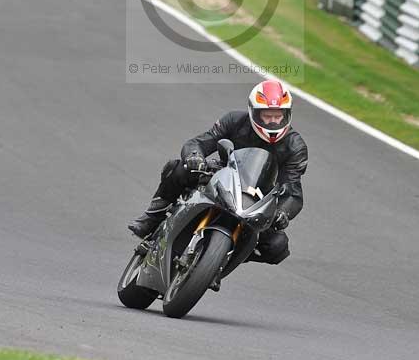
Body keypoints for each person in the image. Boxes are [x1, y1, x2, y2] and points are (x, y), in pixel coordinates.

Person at [128, 79, 308, 265]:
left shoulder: (295, 146)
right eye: (266, 116)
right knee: (178, 168)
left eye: (277, 116)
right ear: (254, 112)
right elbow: (198, 142)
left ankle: (221, 260)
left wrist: (283, 212)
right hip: (223, 177)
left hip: (258, 200)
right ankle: (153, 216)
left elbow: (293, 192)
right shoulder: (234, 121)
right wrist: (194, 156)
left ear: (287, 115)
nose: (272, 121)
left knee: (277, 246)